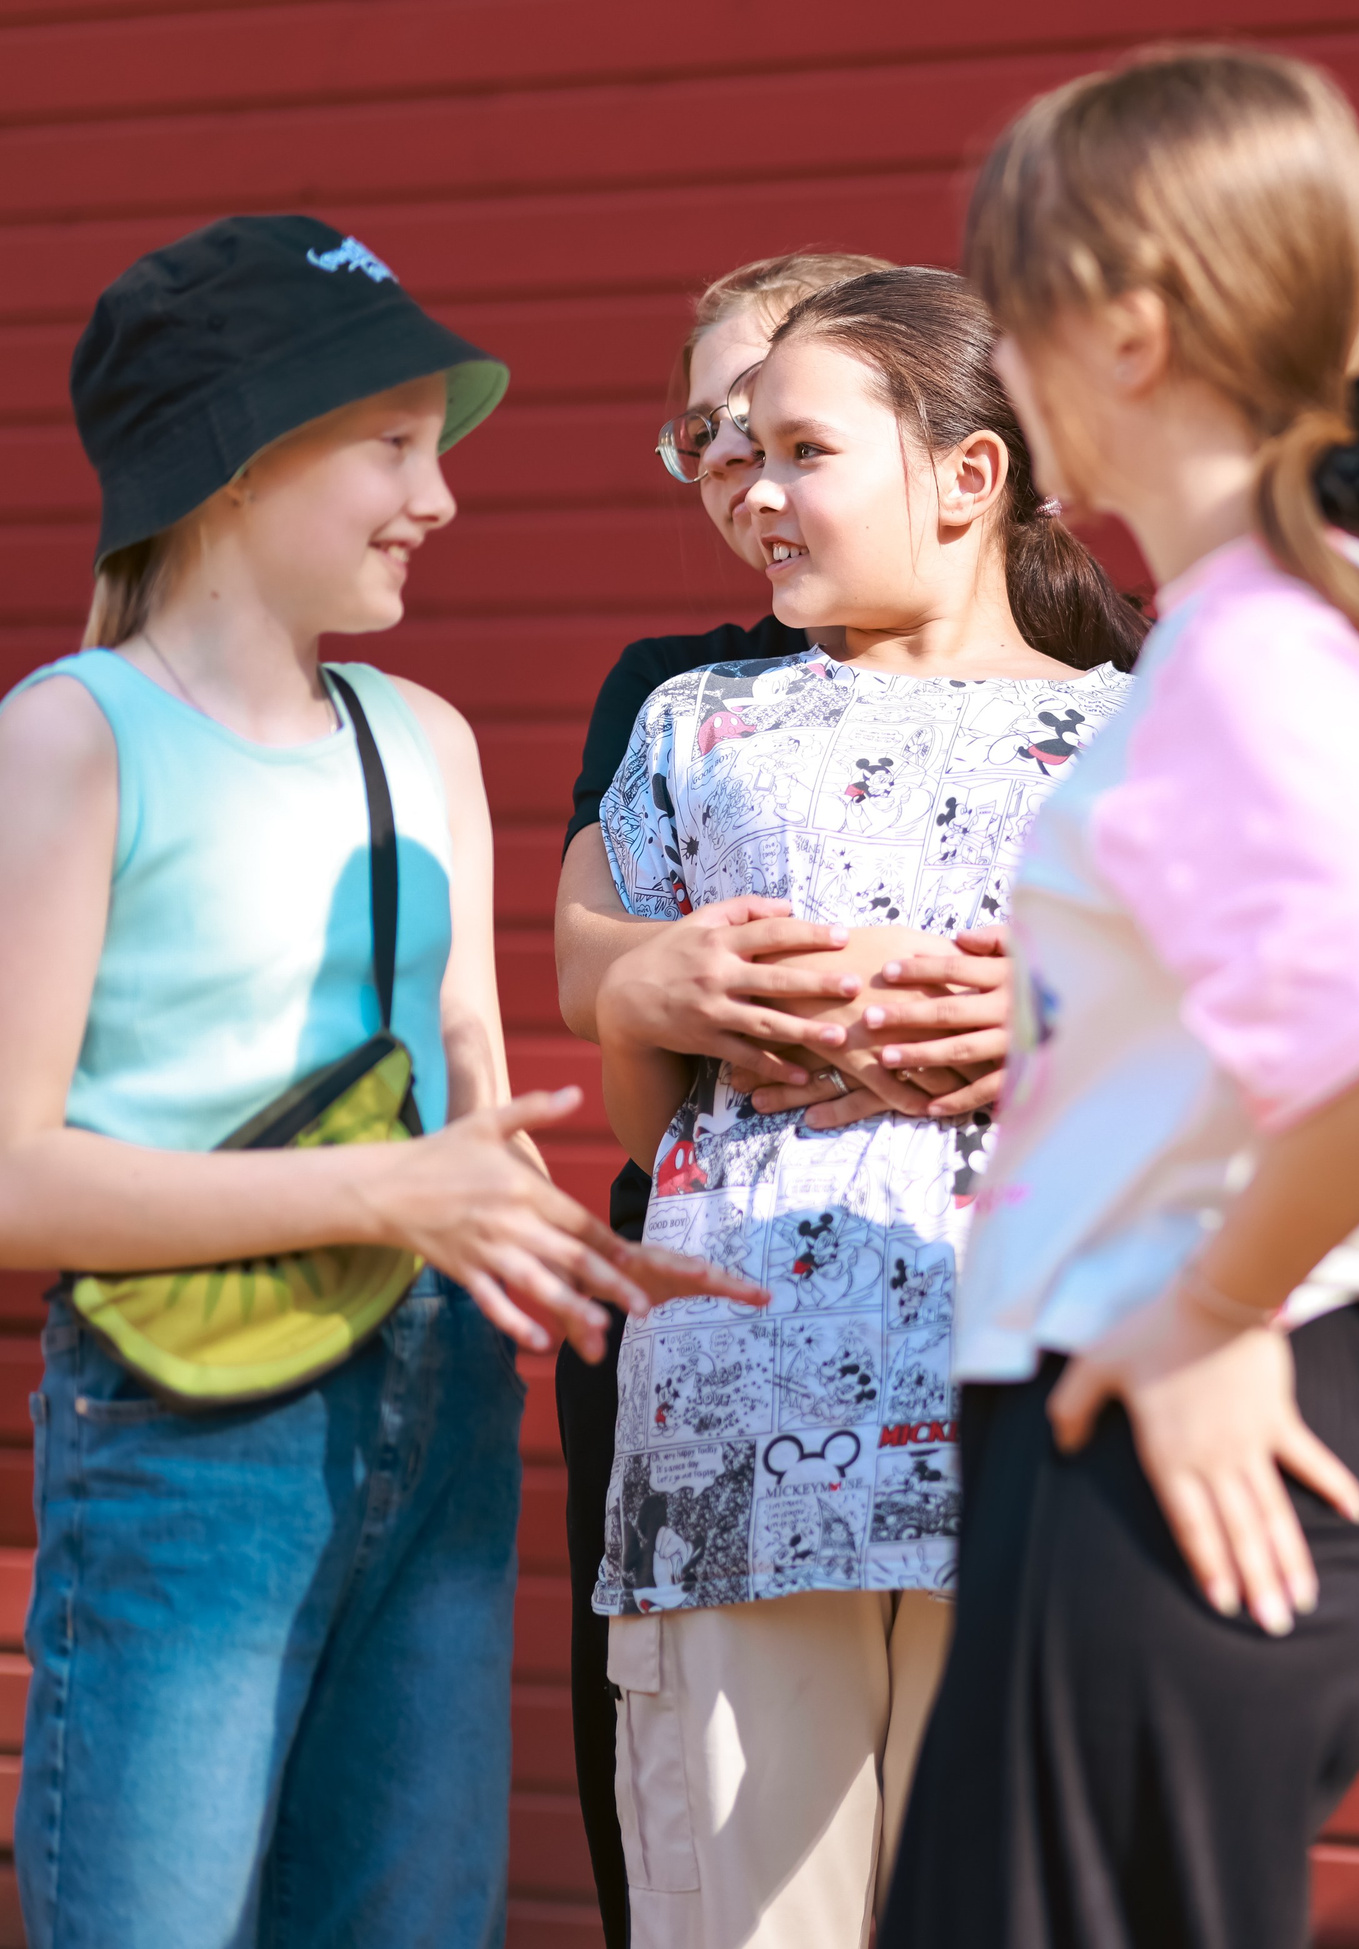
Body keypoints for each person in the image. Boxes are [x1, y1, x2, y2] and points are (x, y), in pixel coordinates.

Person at [881, 47, 1359, 1948]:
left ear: (1130, 332)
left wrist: (1225, 1312)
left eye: (1013, 308)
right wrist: (1314, 1333)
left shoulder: (1260, 648)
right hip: (1172, 1441)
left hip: (1141, 1474)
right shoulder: (1324, 621)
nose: (1002, 358)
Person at [0, 216, 755, 1949]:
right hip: (191, 1429)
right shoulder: (75, 735)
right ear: (237, 461)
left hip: (438, 1411)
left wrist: (579, 1249)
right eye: (393, 446)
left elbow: (473, 1111)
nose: (441, 496)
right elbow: (13, 1174)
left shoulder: (426, 739)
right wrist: (389, 1190)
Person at [590, 263, 1144, 1949]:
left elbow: (1233, 1067)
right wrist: (663, 998)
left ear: (968, 476)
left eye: (804, 452)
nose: (754, 490)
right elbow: (642, 1108)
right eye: (738, 450)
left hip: (1041, 1435)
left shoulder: (1137, 741)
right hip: (738, 1443)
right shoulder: (698, 722)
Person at [552, 246, 900, 1949]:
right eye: (703, 433)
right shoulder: (677, 691)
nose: (736, 468)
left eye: (773, 422)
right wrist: (669, 973)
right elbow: (587, 954)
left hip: (951, 1317)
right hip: (694, 1308)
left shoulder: (1078, 681)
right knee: (705, 1837)